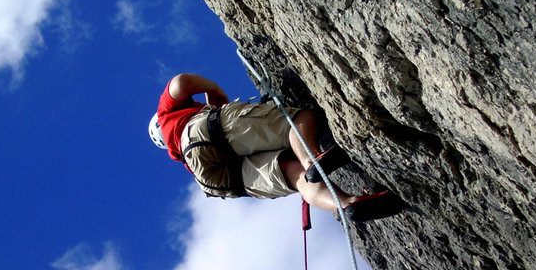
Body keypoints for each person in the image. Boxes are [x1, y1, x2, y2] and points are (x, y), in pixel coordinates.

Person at [149, 73, 407, 221]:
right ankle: (312, 161)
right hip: (203, 133)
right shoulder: (167, 114)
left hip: (217, 181)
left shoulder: (180, 157)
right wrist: (214, 93)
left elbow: (209, 157)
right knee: (296, 121)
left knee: (295, 177)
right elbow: (180, 83)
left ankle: (347, 204)